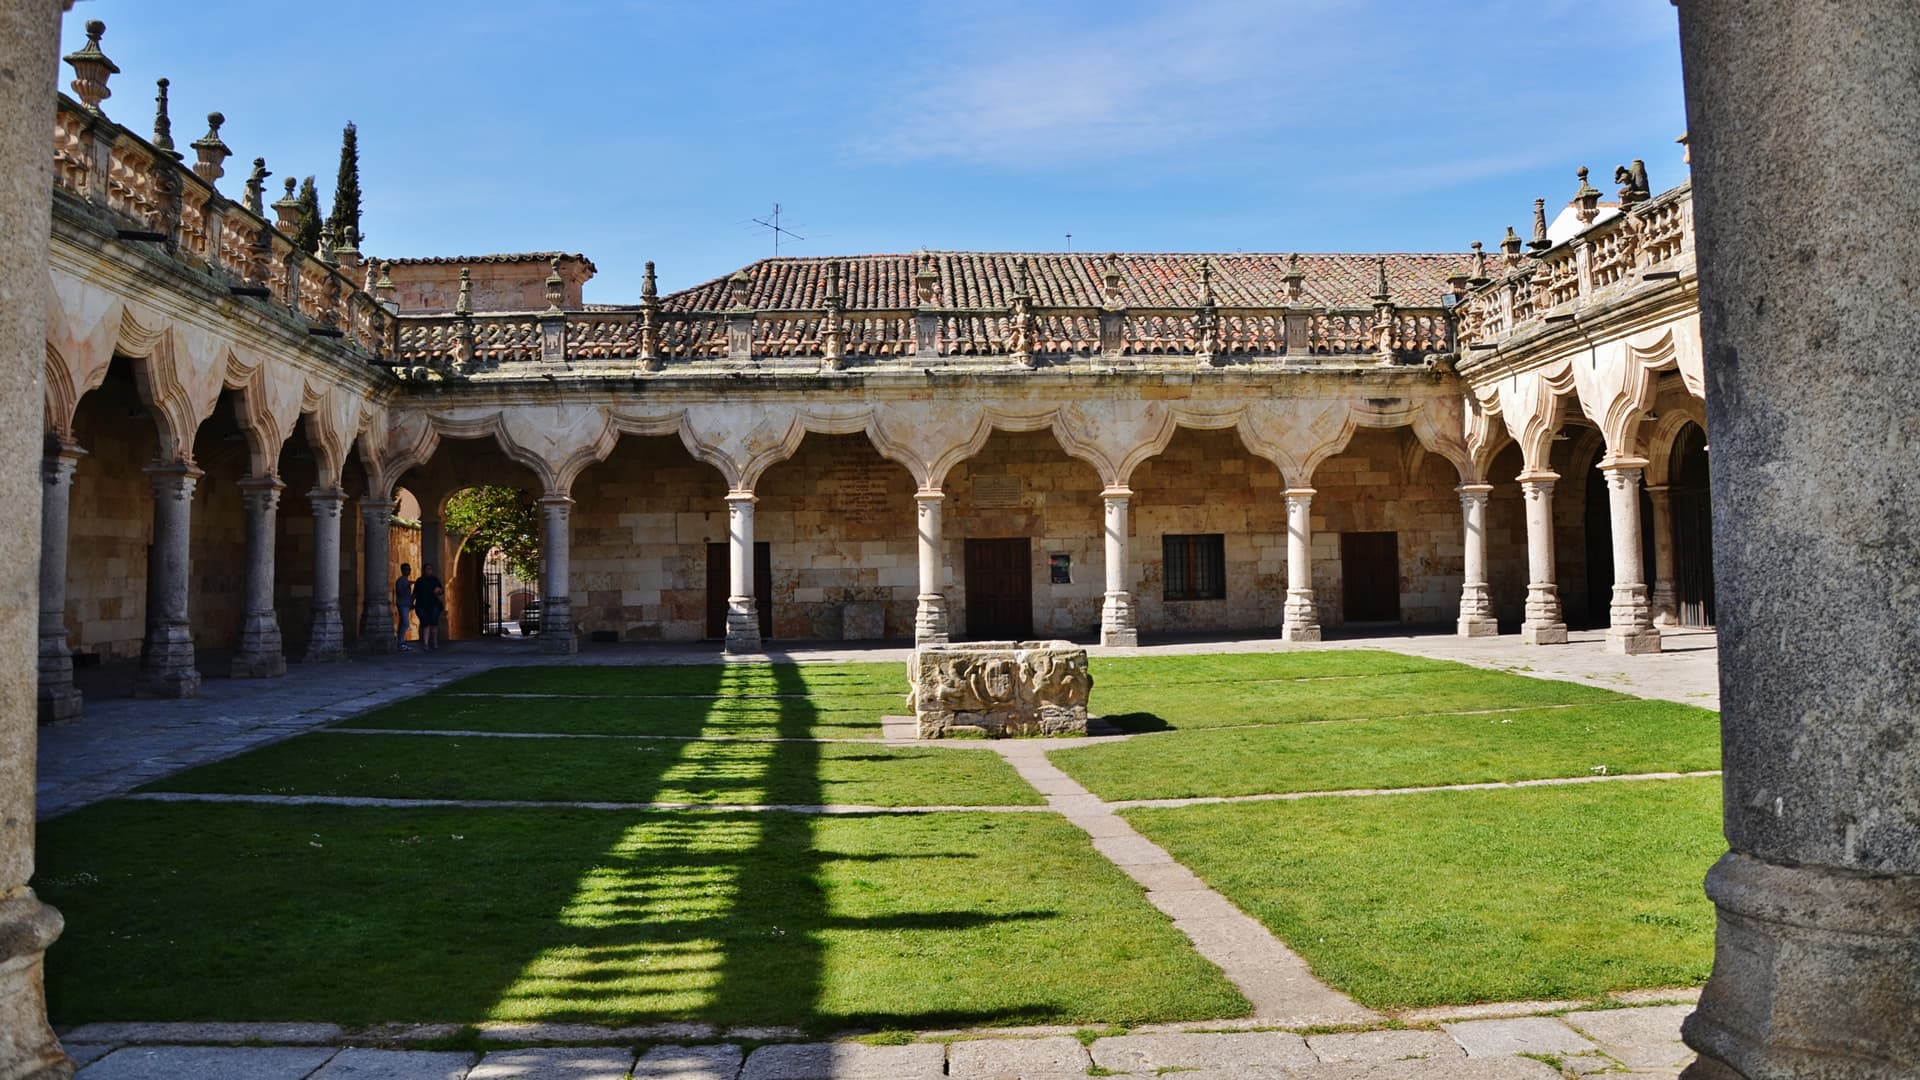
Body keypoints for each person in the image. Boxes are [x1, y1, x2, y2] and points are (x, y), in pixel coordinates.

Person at [414, 563, 446, 651]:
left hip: (433, 605)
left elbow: (441, 591)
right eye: (427, 569)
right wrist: (411, 603)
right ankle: (426, 644)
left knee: (434, 624)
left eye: (430, 569)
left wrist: (439, 590)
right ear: (423, 570)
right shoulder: (419, 581)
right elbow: (415, 593)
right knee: (426, 624)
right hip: (422, 605)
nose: (428, 571)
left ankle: (435, 643)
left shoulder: (435, 580)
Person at [394, 563, 414, 652]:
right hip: (402, 605)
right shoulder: (400, 581)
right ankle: (401, 642)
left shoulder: (405, 580)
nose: (408, 571)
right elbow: (400, 593)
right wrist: (407, 586)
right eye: (406, 569)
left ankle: (400, 642)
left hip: (406, 604)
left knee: (402, 623)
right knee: (405, 623)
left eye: (409, 569)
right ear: (402, 570)